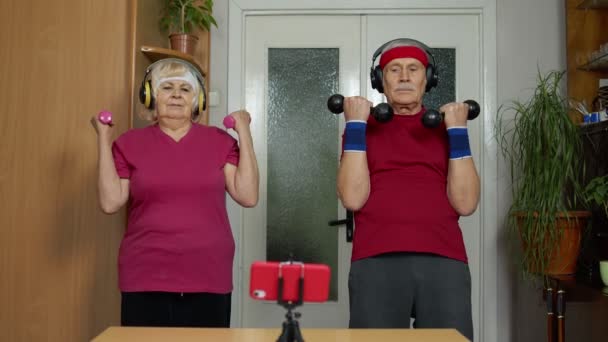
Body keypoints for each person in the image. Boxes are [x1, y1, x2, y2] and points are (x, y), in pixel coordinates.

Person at [90, 58, 259, 328]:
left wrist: (244, 133)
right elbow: (111, 202)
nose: (177, 95)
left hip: (208, 273)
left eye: (185, 89)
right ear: (151, 97)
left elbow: (248, 196)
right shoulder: (128, 143)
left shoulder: (220, 141)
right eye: (167, 87)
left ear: (197, 100)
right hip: (145, 273)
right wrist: (103, 139)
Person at [337, 38, 479, 341]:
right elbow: (352, 197)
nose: (403, 77)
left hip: (444, 258)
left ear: (427, 79)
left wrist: (458, 130)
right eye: (393, 70)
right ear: (380, 81)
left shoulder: (446, 127)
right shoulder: (363, 127)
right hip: (375, 258)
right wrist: (355, 126)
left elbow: (465, 203)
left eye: (413, 69)